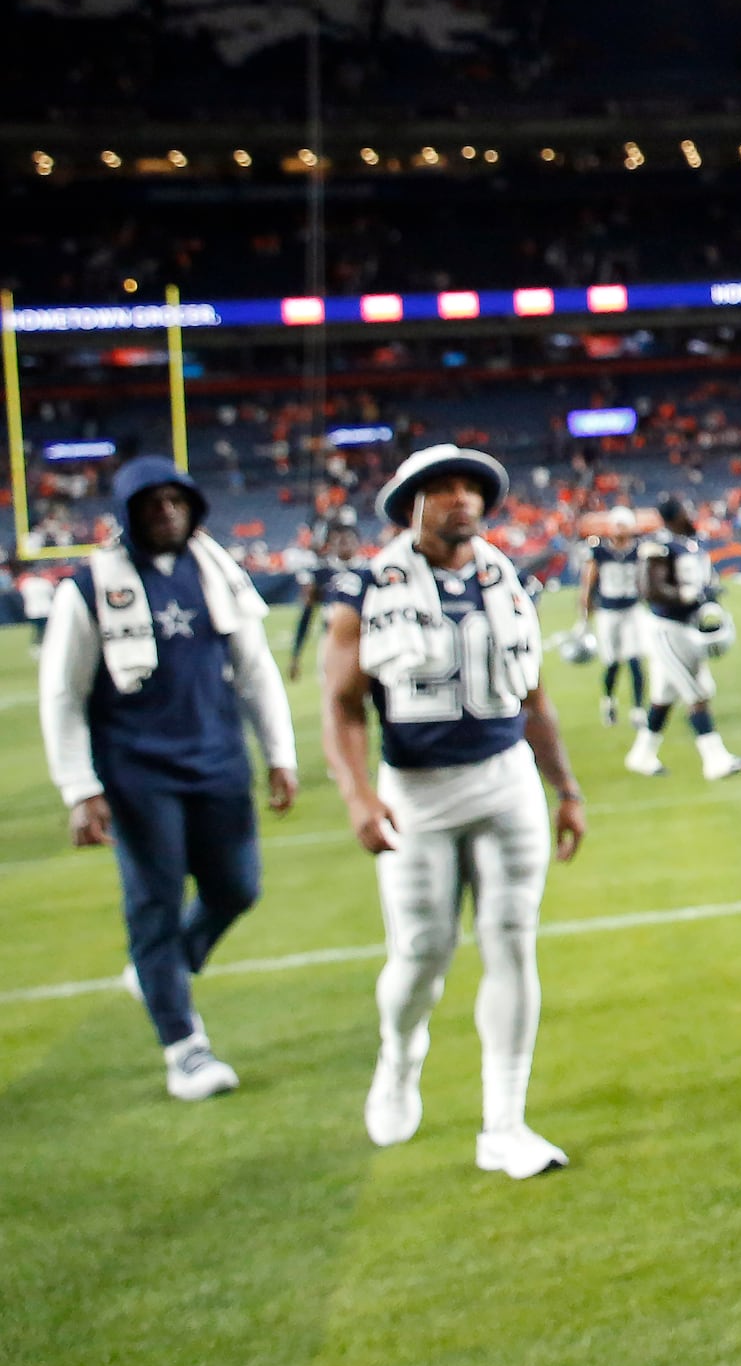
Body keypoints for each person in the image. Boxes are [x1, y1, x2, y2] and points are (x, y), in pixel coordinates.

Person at [318, 444, 587, 1176]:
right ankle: (400, 1056)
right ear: (411, 502)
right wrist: (357, 795)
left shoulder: (509, 578)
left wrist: (566, 789)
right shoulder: (367, 586)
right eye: (442, 488)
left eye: (470, 487)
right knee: (421, 953)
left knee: (511, 940)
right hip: (419, 791)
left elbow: (533, 698)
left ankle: (504, 1123)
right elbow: (341, 705)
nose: (461, 498)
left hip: (507, 779)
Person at [38, 457, 297, 1100]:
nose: (167, 513)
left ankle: (163, 968)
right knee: (153, 903)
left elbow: (256, 669)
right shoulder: (87, 587)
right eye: (151, 504)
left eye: (176, 501)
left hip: (218, 760)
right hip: (137, 772)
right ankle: (184, 1047)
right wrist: (80, 789)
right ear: (128, 514)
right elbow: (63, 696)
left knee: (237, 887)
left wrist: (279, 753)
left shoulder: (216, 571)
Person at [623, 498, 741, 780]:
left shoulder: (689, 542)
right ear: (675, 515)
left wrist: (707, 594)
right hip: (667, 628)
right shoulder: (660, 545)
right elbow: (649, 588)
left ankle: (641, 754)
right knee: (697, 692)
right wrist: (687, 595)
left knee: (664, 697)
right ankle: (715, 760)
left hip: (687, 625)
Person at [577, 506, 648, 727]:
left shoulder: (640, 550)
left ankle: (638, 710)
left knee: (635, 660)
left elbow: (645, 582)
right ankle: (608, 702)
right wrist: (584, 616)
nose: (619, 529)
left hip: (632, 609)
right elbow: (588, 584)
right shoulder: (599, 551)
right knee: (612, 662)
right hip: (608, 611)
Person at [286, 507, 365, 681]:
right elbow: (306, 615)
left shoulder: (370, 573)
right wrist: (295, 655)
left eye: (348, 540)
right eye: (338, 541)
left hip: (366, 640)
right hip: (332, 641)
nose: (343, 545)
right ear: (330, 545)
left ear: (358, 542)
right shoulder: (322, 575)